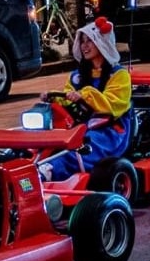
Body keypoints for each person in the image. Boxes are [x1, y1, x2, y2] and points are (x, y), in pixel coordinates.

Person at [40, 18, 133, 183]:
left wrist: (86, 95)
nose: (84, 46)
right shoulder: (78, 75)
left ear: (102, 43)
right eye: (82, 41)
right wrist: (54, 98)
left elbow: (112, 104)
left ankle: (50, 171)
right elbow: (68, 95)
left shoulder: (119, 76)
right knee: (48, 137)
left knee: (83, 145)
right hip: (80, 124)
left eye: (90, 41)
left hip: (110, 128)